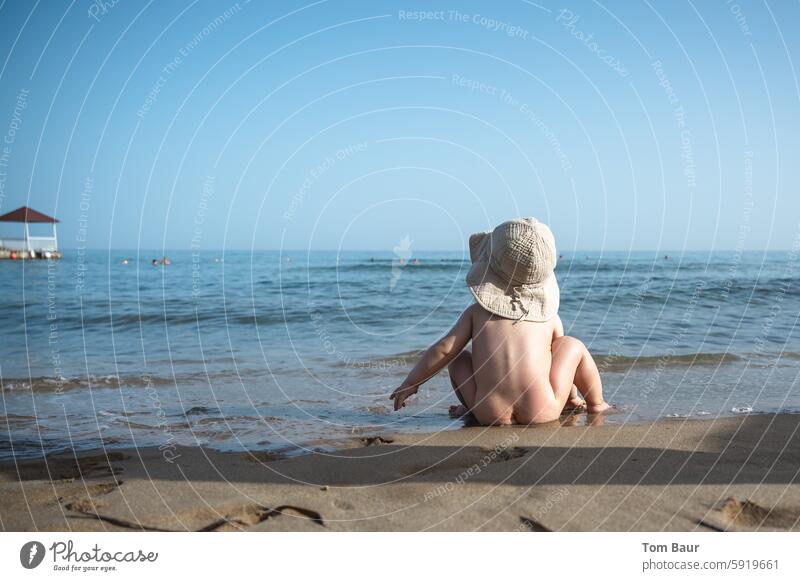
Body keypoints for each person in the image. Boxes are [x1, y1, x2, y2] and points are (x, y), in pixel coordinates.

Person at [390, 217, 611, 425]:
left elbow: (444, 350)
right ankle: (596, 404)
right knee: (571, 345)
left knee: (457, 358)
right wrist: (569, 397)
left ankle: (469, 408)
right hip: (543, 408)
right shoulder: (549, 317)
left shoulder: (475, 313)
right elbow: (558, 364)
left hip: (487, 410)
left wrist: (412, 383)